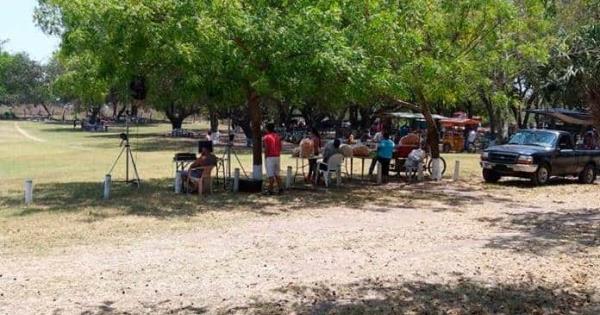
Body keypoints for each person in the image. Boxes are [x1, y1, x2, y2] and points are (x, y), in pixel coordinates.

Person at [263, 123, 283, 194]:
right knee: (277, 174)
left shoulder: (266, 137)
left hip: (270, 157)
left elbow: (266, 148)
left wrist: (266, 156)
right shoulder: (277, 136)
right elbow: (280, 147)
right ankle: (280, 188)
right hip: (277, 156)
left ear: (267, 129)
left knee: (270, 175)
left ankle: (270, 190)